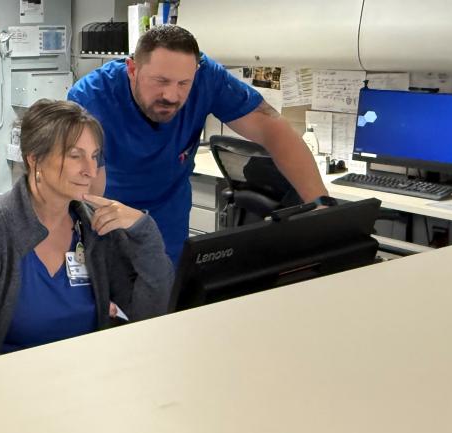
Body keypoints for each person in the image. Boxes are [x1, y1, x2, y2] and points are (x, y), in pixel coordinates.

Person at [0, 100, 174, 367]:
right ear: (35, 158)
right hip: (12, 381)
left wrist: (144, 231)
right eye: (75, 155)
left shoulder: (95, 228)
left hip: (89, 376)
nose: (90, 171)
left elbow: (150, 315)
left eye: (94, 156)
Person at [67, 25, 329, 264]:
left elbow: (273, 129)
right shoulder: (90, 98)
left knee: (169, 301)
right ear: (132, 69)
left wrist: (321, 205)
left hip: (167, 220)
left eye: (183, 84)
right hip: (105, 218)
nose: (171, 95)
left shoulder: (207, 77)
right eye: (161, 81)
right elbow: (81, 186)